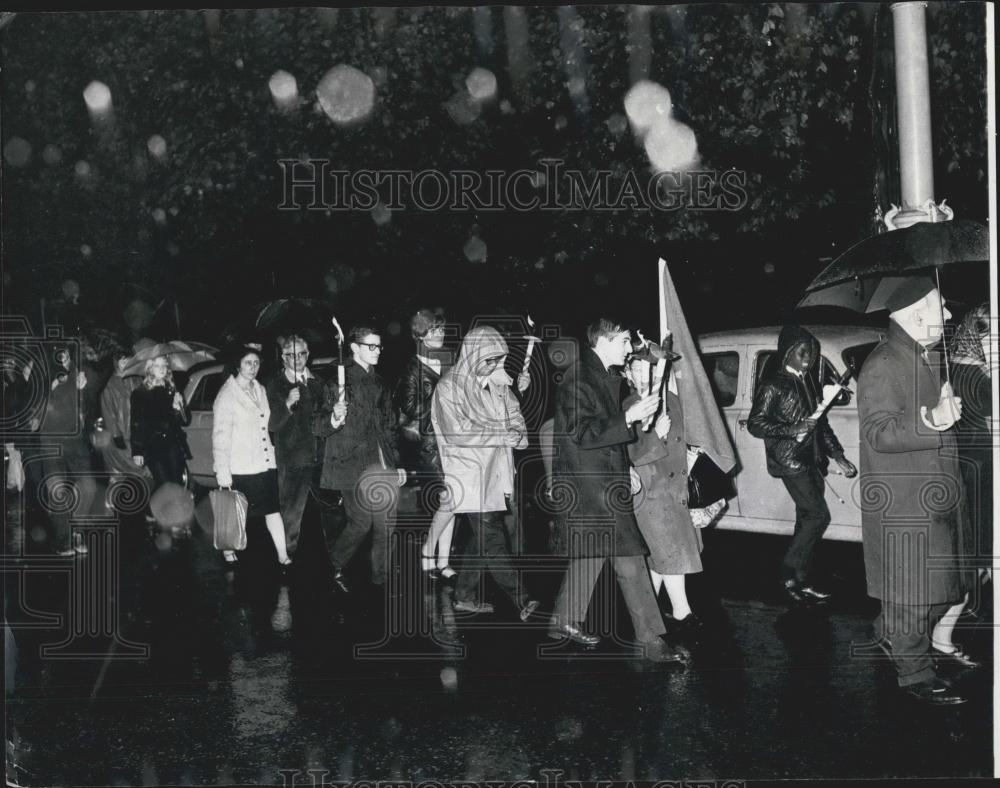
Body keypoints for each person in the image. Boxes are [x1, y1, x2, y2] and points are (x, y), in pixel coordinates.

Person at [547, 317, 686, 663]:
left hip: (601, 481)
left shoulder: (601, 378)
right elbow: (582, 433)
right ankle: (651, 642)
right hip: (592, 487)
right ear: (604, 341)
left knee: (593, 553)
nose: (629, 348)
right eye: (624, 341)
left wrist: (625, 463)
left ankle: (562, 621)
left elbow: (602, 436)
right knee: (630, 559)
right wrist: (628, 419)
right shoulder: (579, 380)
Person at [858, 278, 968, 704]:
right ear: (913, 313)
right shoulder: (883, 364)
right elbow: (878, 433)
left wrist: (941, 410)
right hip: (905, 501)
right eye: (940, 307)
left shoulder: (922, 355)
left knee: (935, 588)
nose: (947, 315)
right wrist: (933, 419)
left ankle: (889, 633)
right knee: (914, 593)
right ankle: (915, 674)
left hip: (931, 494)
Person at [431, 325, 539, 619]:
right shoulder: (449, 387)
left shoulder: (500, 386)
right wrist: (502, 434)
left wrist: (516, 434)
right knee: (493, 538)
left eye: (498, 359)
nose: (494, 365)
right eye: (488, 359)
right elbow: (457, 433)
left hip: (498, 474)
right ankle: (523, 599)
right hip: (467, 475)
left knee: (484, 538)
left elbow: (519, 428)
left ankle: (463, 596)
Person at [747, 324, 856, 606]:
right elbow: (755, 424)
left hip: (812, 459)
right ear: (787, 354)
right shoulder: (773, 384)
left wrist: (838, 455)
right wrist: (792, 428)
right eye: (802, 353)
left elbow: (821, 424)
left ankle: (799, 582)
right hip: (789, 460)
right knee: (818, 516)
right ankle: (785, 570)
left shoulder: (808, 383)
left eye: (812, 354)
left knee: (804, 521)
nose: (808, 359)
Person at [313, 326, 403, 593]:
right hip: (349, 462)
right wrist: (335, 417)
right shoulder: (336, 381)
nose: (377, 352)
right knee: (361, 522)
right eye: (371, 346)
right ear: (354, 347)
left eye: (379, 347)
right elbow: (317, 425)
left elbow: (389, 427)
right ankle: (334, 563)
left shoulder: (381, 383)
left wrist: (397, 463)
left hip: (379, 462)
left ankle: (381, 577)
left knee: (387, 522)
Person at [623, 347, 704, 631]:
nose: (643, 374)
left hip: (676, 488)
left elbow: (687, 440)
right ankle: (682, 611)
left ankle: (647, 611)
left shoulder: (671, 401)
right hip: (650, 491)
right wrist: (655, 434)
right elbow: (629, 455)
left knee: (662, 554)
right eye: (636, 369)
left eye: (650, 369)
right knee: (670, 551)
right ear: (628, 374)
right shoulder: (628, 406)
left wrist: (693, 457)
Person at [930, 302, 992, 665]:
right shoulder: (979, 378)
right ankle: (937, 634)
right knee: (976, 561)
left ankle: (941, 632)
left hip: (968, 469)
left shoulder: (955, 367)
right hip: (979, 473)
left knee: (977, 560)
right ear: (978, 334)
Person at [212, 345, 291, 567]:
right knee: (236, 511)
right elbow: (220, 436)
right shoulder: (227, 395)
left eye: (256, 363)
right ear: (238, 365)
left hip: (265, 462)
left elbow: (267, 423)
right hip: (240, 465)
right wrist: (222, 471)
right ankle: (228, 548)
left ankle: (282, 555)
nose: (253, 367)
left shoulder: (260, 389)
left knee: (273, 510)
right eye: (248, 362)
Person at [396, 309, 455, 580]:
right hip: (430, 444)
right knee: (449, 499)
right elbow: (408, 404)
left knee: (453, 500)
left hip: (453, 440)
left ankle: (443, 561)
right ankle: (428, 553)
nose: (439, 334)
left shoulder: (447, 360)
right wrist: (441, 398)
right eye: (432, 330)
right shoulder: (410, 367)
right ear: (419, 335)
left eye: (441, 329)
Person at [266, 335, 325, 558]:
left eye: (301, 354)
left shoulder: (316, 381)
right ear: (283, 358)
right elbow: (272, 424)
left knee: (323, 511)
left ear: (308, 355)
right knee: (291, 511)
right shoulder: (276, 384)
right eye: (291, 355)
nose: (297, 359)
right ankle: (286, 556)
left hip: (318, 455)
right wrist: (288, 404)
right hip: (292, 458)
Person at [130, 355, 191, 490]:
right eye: (157, 365)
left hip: (172, 445)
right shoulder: (140, 393)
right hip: (153, 446)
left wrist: (179, 407)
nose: (162, 369)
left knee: (177, 484)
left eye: (164, 365)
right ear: (150, 369)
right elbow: (137, 423)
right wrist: (137, 451)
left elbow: (185, 421)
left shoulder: (172, 390)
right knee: (164, 486)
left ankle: (176, 511)